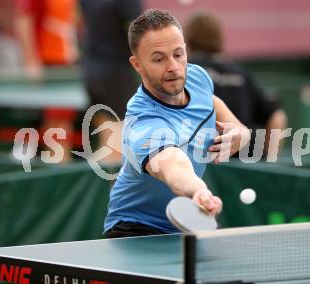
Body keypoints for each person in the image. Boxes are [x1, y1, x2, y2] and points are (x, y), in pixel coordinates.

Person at [103, 9, 251, 238]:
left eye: (178, 54)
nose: (173, 66)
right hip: (136, 228)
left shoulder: (197, 78)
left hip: (190, 220)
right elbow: (174, 167)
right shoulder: (143, 121)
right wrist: (199, 191)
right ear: (137, 64)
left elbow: (215, 106)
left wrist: (241, 134)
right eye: (159, 58)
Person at [184, 12, 287, 158]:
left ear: (189, 39)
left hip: (206, 162)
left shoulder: (187, 69)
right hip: (245, 164)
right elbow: (277, 116)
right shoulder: (240, 73)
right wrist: (270, 160)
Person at [15, 0, 79, 163]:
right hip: (50, 64)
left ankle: (60, 162)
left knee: (63, 121)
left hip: (68, 62)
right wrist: (32, 61)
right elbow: (23, 21)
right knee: (57, 122)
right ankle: (59, 165)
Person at [79, 0, 142, 163]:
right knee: (116, 139)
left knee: (106, 136)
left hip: (91, 70)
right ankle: (111, 186)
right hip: (116, 72)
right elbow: (138, 28)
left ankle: (102, 184)